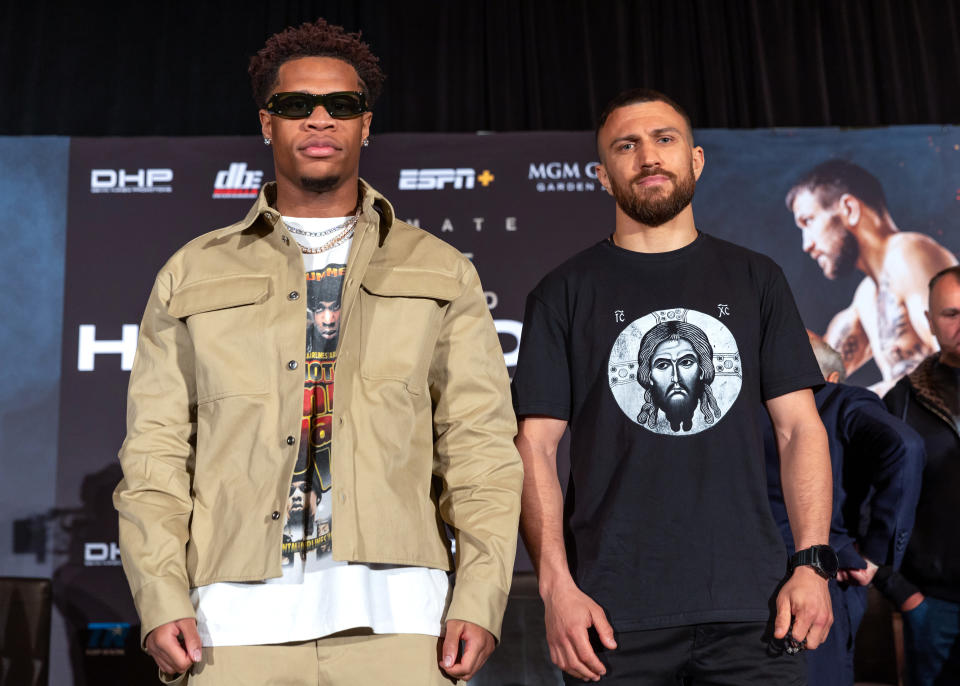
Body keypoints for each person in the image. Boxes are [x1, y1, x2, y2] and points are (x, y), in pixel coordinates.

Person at [114, 18, 522, 685]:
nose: (320, 119)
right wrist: (159, 598)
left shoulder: (440, 269)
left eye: (343, 105)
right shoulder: (192, 273)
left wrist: (480, 597)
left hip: (399, 619)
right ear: (267, 123)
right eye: (297, 106)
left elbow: (478, 447)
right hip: (230, 624)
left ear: (366, 125)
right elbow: (155, 454)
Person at [512, 88, 835, 685]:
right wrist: (555, 587)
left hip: (754, 608)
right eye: (626, 145)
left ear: (696, 159)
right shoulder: (562, 292)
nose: (648, 157)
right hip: (610, 616)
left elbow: (799, 430)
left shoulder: (756, 278)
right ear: (603, 176)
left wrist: (812, 563)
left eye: (665, 139)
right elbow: (535, 447)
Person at [764, 333, 924, 686]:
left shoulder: (741, 409)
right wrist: (873, 554)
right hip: (820, 578)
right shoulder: (840, 398)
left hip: (746, 579)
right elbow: (906, 445)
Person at [786, 160, 956, 395]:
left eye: (808, 221)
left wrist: (869, 404)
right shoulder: (866, 297)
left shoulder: (909, 253)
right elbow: (816, 372)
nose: (807, 245)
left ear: (849, 209)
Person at [881, 265, 960, 685]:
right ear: (929, 322)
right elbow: (870, 501)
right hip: (934, 605)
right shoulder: (902, 402)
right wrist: (902, 592)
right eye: (951, 314)